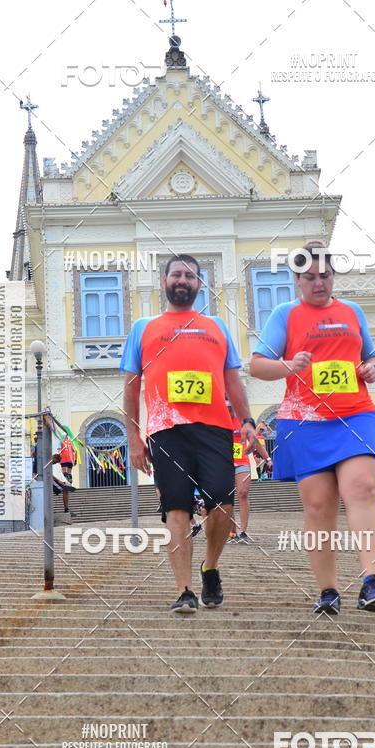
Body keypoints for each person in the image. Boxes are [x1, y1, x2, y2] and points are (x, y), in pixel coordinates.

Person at [249, 241, 375, 614]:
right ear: (297, 279)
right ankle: (328, 590)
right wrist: (290, 365)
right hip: (304, 420)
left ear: (333, 276)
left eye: (325, 276)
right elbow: (257, 365)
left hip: (355, 414)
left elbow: (371, 357)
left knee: (360, 488)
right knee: (318, 506)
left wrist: (372, 369)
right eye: (310, 277)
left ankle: (371, 583)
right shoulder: (285, 314)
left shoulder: (352, 311)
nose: (319, 283)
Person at [121, 254, 258, 615]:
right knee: (176, 506)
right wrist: (134, 438)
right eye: (177, 274)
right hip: (166, 430)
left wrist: (247, 422)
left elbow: (233, 381)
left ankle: (210, 567)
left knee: (222, 503)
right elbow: (132, 388)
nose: (184, 280)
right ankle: (184, 590)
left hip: (215, 428)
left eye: (191, 276)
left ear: (200, 285)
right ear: (164, 280)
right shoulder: (143, 328)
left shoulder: (216, 326)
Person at [226, 400, 272, 543]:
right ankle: (232, 532)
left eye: (230, 406)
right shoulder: (218, 419)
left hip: (242, 462)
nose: (229, 409)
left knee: (243, 492)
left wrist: (268, 459)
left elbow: (255, 441)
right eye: (226, 406)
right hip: (223, 463)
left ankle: (244, 532)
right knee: (227, 498)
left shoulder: (243, 421)